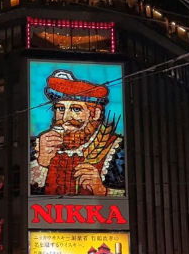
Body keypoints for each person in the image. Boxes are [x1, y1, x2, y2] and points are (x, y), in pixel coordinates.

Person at [29, 69, 125, 197]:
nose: (65, 118)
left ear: (95, 114)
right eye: (60, 108)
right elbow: (19, 193)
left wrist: (103, 191)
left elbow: (135, 195)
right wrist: (41, 163)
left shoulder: (118, 150)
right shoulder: (36, 147)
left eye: (76, 109)